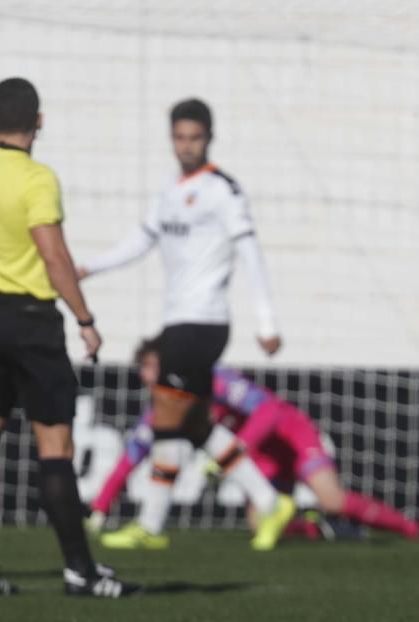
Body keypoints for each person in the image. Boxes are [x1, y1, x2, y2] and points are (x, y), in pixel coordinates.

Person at [79, 98, 294, 551]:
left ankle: (151, 525)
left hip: (202, 322)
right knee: (195, 424)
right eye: (179, 137)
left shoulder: (223, 190)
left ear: (208, 139)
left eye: (194, 137)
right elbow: (142, 240)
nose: (186, 146)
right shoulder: (171, 192)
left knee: (165, 418)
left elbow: (250, 252)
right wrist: (90, 267)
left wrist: (267, 321)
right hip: (178, 320)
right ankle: (268, 501)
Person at [0, 77, 137, 598]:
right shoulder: (37, 179)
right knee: (55, 445)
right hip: (30, 319)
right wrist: (84, 317)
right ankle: (80, 570)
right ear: (40, 122)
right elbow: (53, 255)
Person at [94, 337, 419, 546]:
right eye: (143, 368)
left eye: (152, 365)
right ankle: (319, 528)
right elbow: (131, 456)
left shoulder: (212, 379)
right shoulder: (163, 409)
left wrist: (238, 448)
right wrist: (99, 509)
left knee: (333, 499)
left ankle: (414, 527)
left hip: (290, 437)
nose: (146, 375)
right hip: (261, 459)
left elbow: (268, 412)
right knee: (259, 524)